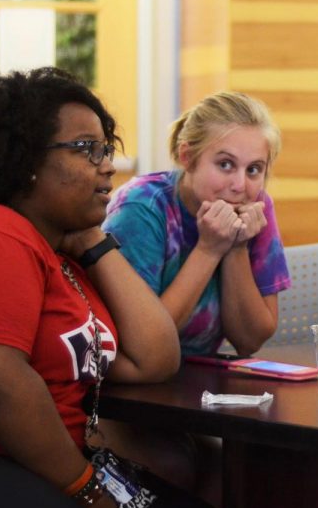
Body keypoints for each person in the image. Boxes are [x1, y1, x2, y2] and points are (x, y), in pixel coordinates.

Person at [0, 68, 213, 508]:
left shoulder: (60, 257)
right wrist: (85, 488)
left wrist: (95, 243)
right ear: (25, 161)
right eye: (86, 149)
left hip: (23, 463)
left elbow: (155, 359)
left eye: (105, 149)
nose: (107, 165)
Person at [103, 91, 291, 357]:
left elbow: (249, 341)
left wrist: (237, 247)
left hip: (200, 380)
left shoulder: (255, 205)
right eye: (225, 164)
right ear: (187, 156)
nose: (240, 186)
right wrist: (209, 250)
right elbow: (145, 344)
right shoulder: (141, 206)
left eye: (254, 169)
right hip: (137, 381)